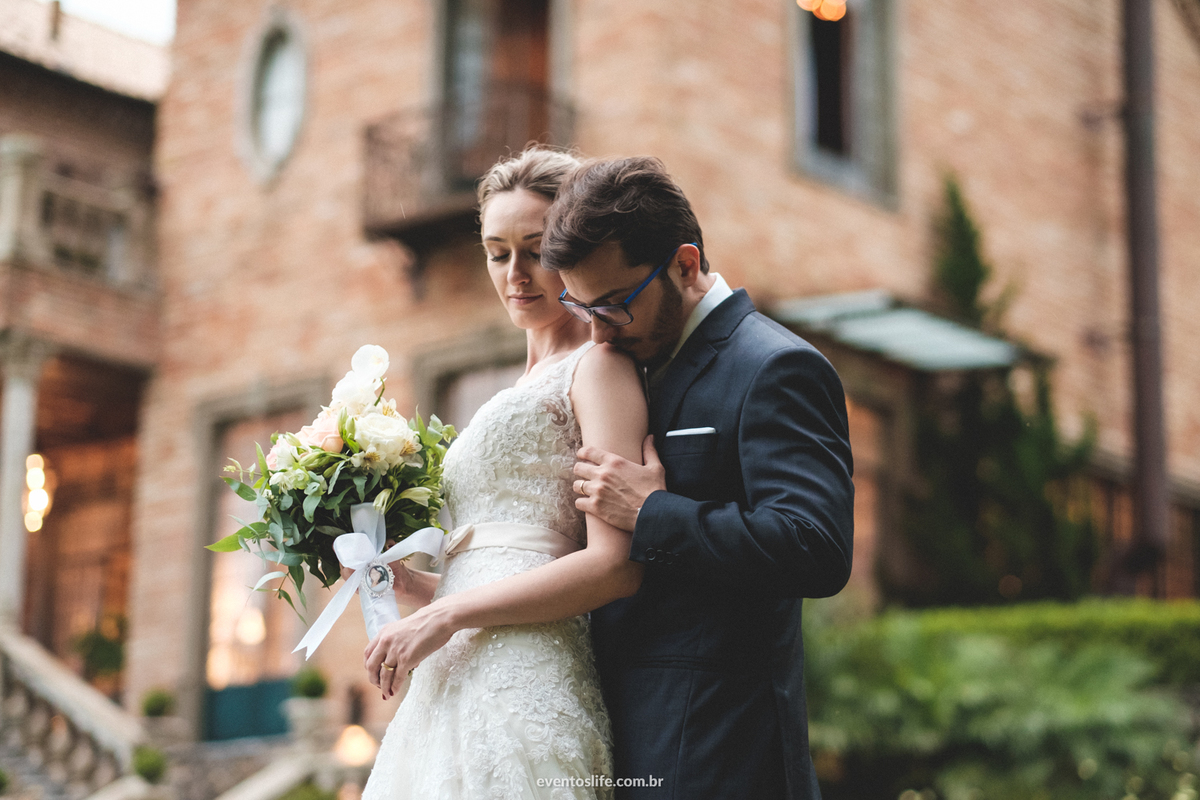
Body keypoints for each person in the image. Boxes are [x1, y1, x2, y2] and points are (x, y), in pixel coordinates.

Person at [539, 156, 855, 799]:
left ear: (685, 265)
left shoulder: (777, 368)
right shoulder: (625, 361)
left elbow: (816, 548)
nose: (597, 330)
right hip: (609, 735)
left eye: (616, 305)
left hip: (715, 751)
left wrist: (653, 512)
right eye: (581, 306)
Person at [358, 147, 649, 800]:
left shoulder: (598, 369)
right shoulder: (516, 384)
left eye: (535, 249)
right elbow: (502, 563)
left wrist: (447, 615)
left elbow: (614, 565)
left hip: (527, 679)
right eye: (497, 252)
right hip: (452, 679)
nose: (515, 273)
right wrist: (417, 589)